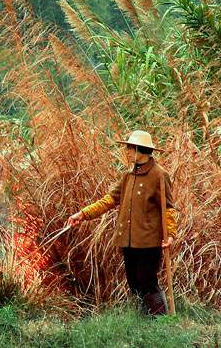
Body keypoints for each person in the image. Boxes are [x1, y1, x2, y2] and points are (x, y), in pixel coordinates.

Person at [67, 130, 177, 315]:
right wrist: (83, 214)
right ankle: (146, 319)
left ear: (140, 150)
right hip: (128, 240)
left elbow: (168, 208)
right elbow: (109, 200)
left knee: (147, 280)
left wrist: (171, 234)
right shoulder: (128, 176)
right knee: (133, 281)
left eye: (129, 148)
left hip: (149, 240)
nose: (126, 152)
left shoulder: (159, 175)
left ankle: (161, 320)